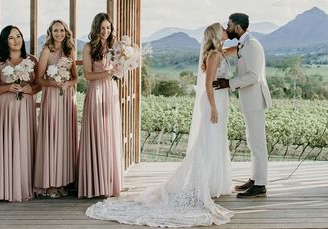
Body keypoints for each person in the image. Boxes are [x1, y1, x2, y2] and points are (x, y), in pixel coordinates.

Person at [86, 22, 235, 226]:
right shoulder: (214, 55)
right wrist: (214, 108)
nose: (227, 30)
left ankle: (212, 181)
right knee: (207, 142)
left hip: (218, 100)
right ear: (217, 34)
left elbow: (235, 50)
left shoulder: (219, 51)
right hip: (213, 102)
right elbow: (208, 84)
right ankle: (203, 183)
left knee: (214, 141)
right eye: (223, 29)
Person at [213, 12, 272, 198]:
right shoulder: (242, 44)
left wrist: (228, 83)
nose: (227, 28)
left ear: (238, 27)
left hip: (255, 99)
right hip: (249, 100)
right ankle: (255, 178)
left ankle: (260, 185)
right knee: (252, 140)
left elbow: (253, 76)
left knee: (257, 143)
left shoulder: (252, 45)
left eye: (229, 25)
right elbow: (225, 53)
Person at [0, 26, 40, 202]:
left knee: (23, 145)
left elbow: (39, 84)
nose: (16, 40)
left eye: (18, 36)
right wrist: (8, 87)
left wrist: (30, 89)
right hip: (4, 112)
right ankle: (2, 188)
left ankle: (23, 186)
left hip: (25, 111)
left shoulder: (32, 59)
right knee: (6, 145)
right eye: (11, 38)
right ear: (5, 41)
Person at [78, 12, 124, 198]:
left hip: (110, 91)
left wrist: (120, 69)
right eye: (102, 27)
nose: (105, 31)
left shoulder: (115, 47)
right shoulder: (89, 47)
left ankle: (110, 181)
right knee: (97, 134)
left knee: (110, 135)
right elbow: (87, 75)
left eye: (108, 27)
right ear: (96, 28)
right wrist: (108, 72)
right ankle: (95, 184)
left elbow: (120, 70)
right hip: (96, 91)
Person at [34, 19, 78, 198]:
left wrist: (68, 83)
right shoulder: (46, 51)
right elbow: (39, 78)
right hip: (52, 97)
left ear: (66, 32)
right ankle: (50, 184)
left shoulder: (70, 50)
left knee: (64, 139)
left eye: (62, 30)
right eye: (55, 31)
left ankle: (62, 182)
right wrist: (52, 82)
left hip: (67, 98)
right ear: (50, 33)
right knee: (52, 138)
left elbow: (75, 78)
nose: (59, 33)